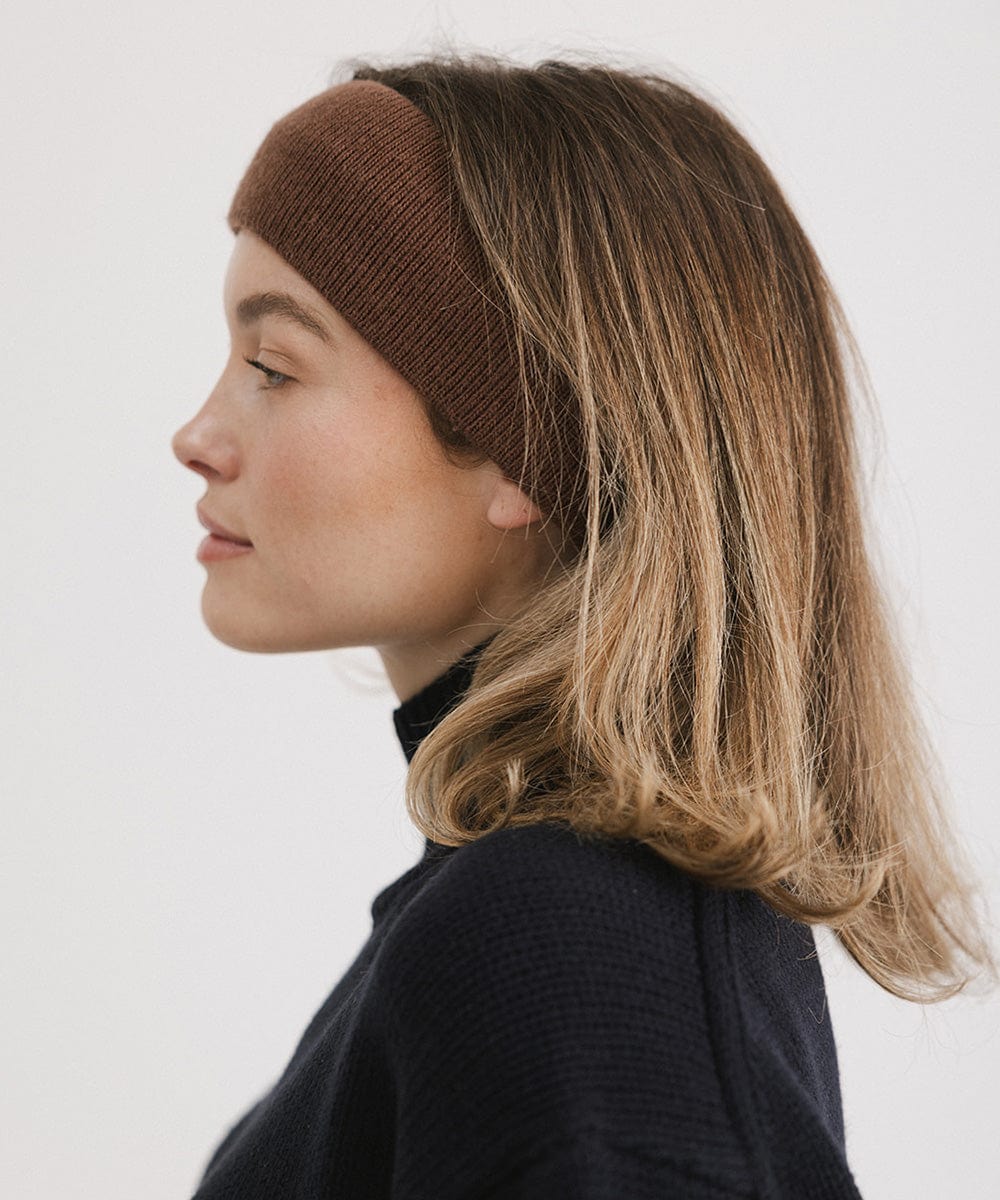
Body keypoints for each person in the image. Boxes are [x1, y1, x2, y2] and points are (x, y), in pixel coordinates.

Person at [171, 55, 997, 1200]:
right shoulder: (522, 917)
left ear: (523, 444)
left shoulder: (565, 946)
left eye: (272, 365)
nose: (196, 434)